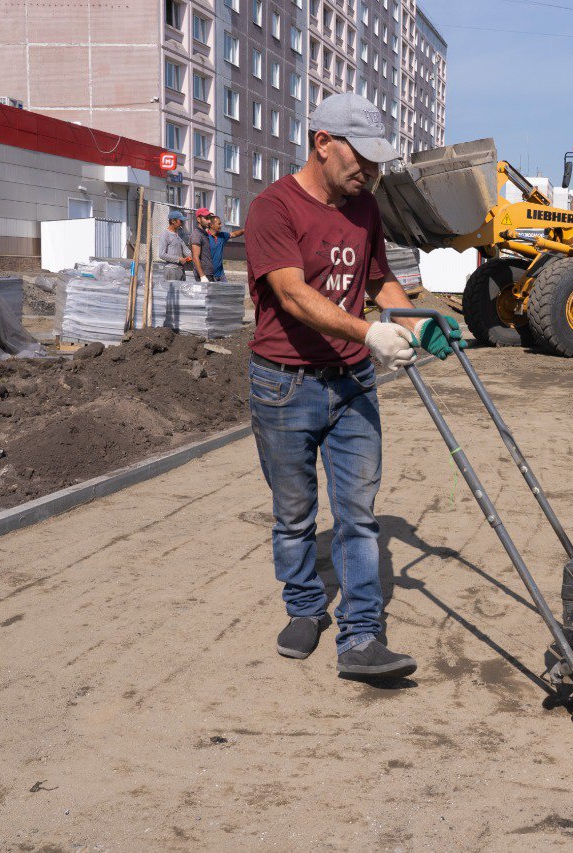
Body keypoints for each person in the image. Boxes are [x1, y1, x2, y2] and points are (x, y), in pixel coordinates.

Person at [243, 92, 465, 680]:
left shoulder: (364, 208)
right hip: (284, 385)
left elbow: (380, 281)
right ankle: (305, 609)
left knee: (358, 516)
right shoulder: (273, 208)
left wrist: (423, 326)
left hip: (353, 384)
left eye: (376, 159)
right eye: (360, 157)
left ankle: (361, 636)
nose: (369, 170)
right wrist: (370, 333)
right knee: (294, 516)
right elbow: (292, 294)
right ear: (322, 143)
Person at [204, 215, 245, 282]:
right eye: (219, 224)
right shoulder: (205, 237)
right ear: (211, 225)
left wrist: (244, 230)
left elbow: (234, 234)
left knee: (225, 291)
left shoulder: (222, 235)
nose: (221, 225)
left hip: (221, 275)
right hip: (209, 274)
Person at [156, 210, 192, 281]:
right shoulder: (165, 235)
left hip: (181, 269)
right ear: (173, 221)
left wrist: (192, 256)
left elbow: (185, 250)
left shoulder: (178, 235)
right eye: (180, 221)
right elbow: (162, 254)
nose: (182, 223)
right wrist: (178, 259)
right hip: (171, 270)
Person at [190, 207, 215, 281]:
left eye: (210, 218)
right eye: (206, 218)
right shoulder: (197, 234)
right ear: (198, 219)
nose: (209, 221)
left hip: (209, 273)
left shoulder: (204, 233)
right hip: (204, 274)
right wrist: (202, 276)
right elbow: (195, 257)